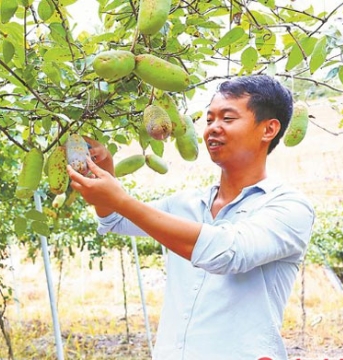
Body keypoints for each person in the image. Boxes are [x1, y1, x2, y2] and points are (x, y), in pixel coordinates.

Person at [68, 75, 315, 360]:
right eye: (209, 120)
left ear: (268, 129)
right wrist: (107, 173)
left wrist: (121, 199)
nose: (213, 129)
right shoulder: (186, 203)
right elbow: (114, 219)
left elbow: (228, 253)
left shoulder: (289, 207)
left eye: (228, 118)